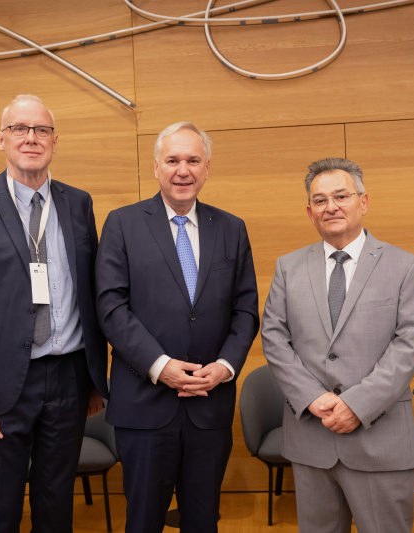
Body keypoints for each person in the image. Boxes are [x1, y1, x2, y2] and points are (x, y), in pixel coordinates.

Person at [0, 94, 108, 532]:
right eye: (20, 128)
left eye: (42, 130)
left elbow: (90, 293)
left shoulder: (79, 203)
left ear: (54, 140)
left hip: (69, 376)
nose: (31, 137)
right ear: (1, 139)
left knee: (56, 506)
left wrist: (93, 379)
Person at [96, 121, 259, 533]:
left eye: (192, 160)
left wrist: (225, 366)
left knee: (203, 520)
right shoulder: (122, 223)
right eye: (172, 160)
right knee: (144, 521)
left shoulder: (231, 228)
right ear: (156, 167)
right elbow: (111, 306)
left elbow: (245, 310)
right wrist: (159, 365)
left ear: (207, 169)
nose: (182, 170)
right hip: (145, 405)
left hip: (210, 403)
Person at [261, 157, 414, 532]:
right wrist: (312, 398)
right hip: (311, 436)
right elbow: (274, 336)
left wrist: (356, 404)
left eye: (341, 196)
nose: (331, 207)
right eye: (320, 201)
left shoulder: (405, 266)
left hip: (379, 438)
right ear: (310, 212)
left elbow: (408, 346)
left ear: (363, 202)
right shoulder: (289, 267)